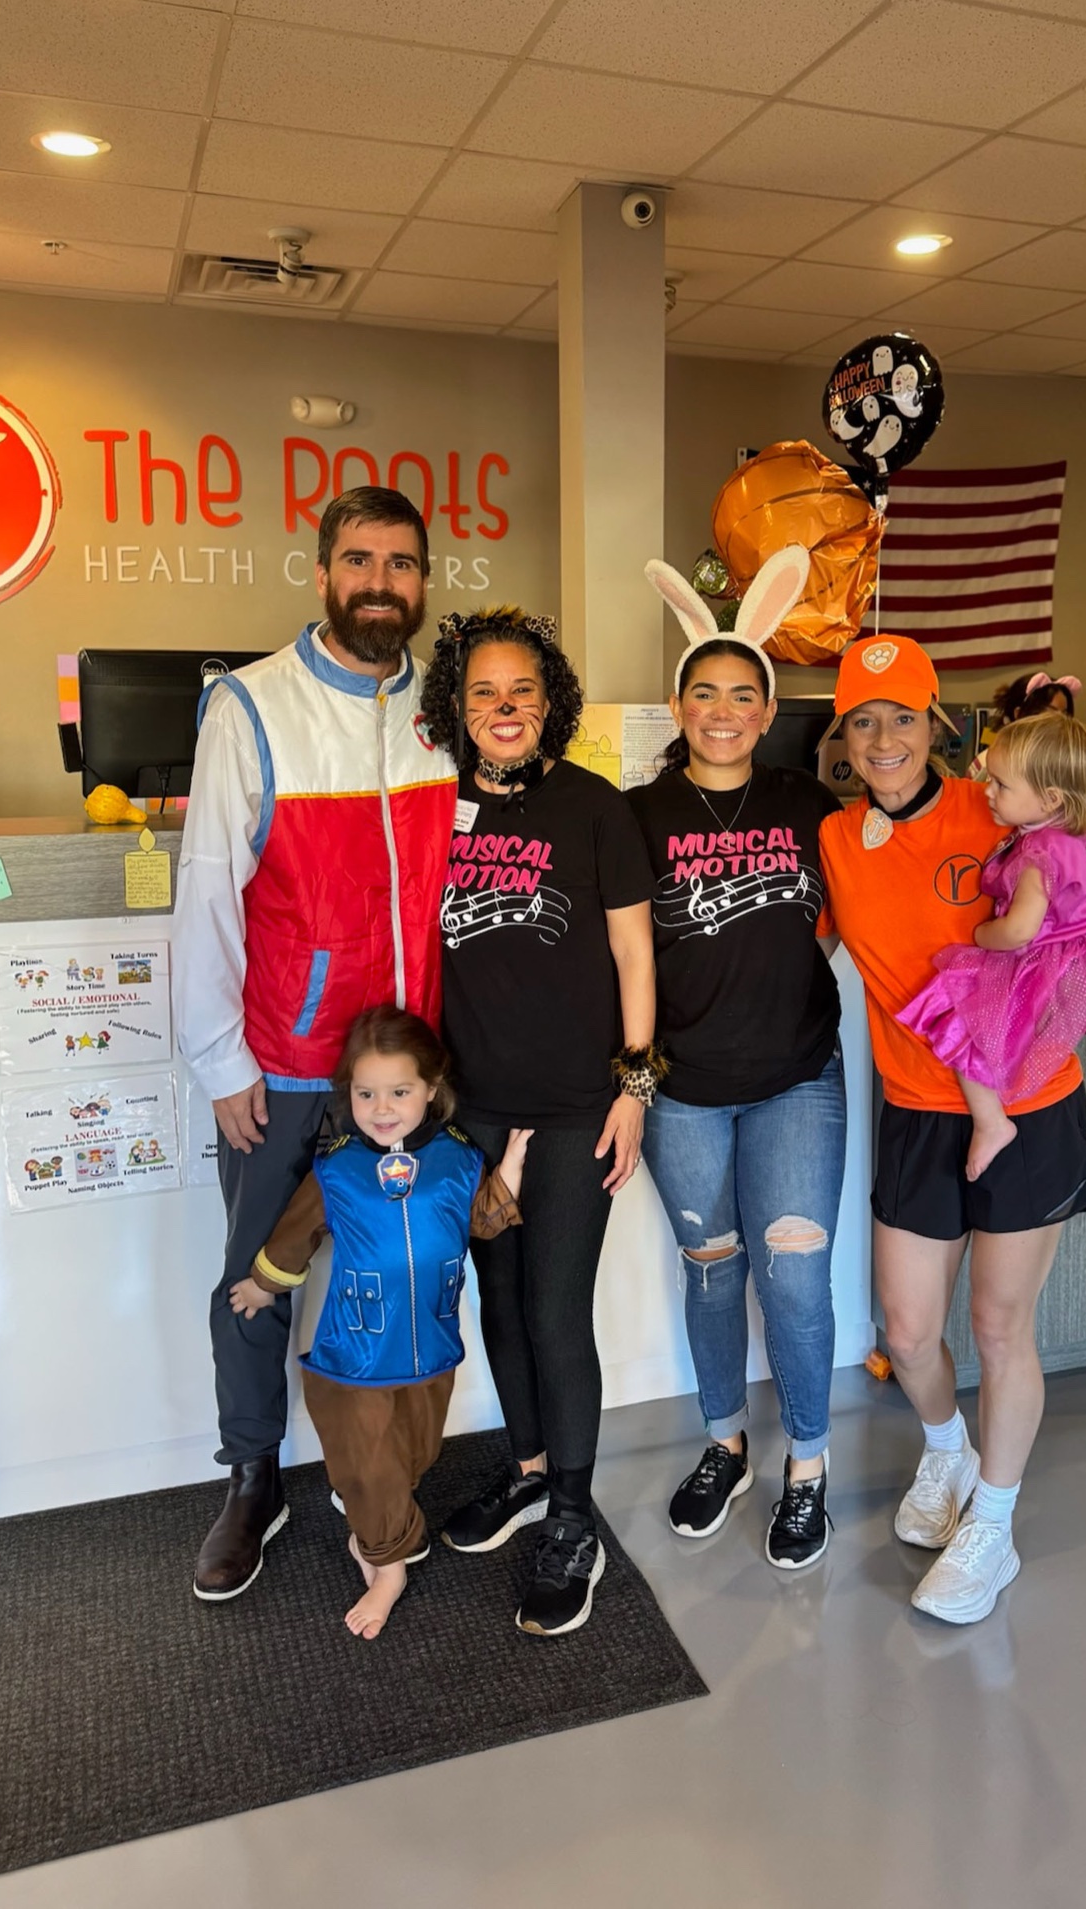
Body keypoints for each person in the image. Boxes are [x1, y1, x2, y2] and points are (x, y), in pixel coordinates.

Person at [173, 484, 456, 1603]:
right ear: (323, 572)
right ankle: (254, 1476)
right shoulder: (250, 706)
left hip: (413, 1072)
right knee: (258, 1276)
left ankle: (384, 1471)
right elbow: (205, 891)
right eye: (358, 560)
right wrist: (219, 1060)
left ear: (422, 582)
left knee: (404, 1265)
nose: (379, 581)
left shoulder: (446, 708)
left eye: (399, 563)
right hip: (287, 1062)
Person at [818, 634, 1086, 1626]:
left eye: (901, 716)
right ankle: (945, 1454)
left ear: (936, 724)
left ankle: (993, 1522)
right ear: (843, 739)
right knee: (905, 1330)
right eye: (863, 720)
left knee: (996, 1325)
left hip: (1024, 1106)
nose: (883, 737)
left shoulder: (992, 815)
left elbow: (1075, 895)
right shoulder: (833, 838)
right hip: (915, 1108)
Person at [421, 607, 658, 1637]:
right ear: (456, 708)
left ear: (549, 702)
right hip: (469, 1111)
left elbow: (635, 958)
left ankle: (572, 1519)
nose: (504, 708)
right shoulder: (432, 809)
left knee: (557, 1312)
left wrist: (633, 1090)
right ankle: (525, 1471)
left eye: (521, 690)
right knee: (501, 1306)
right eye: (483, 691)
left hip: (571, 1106)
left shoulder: (593, 806)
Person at [630, 546, 846, 1569]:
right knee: (712, 1275)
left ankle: (808, 1465)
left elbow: (849, 920)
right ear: (679, 706)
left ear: (766, 712)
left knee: (793, 1281)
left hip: (798, 1081)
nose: (722, 710)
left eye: (742, 695)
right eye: (704, 692)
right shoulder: (636, 817)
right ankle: (726, 1443)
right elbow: (618, 960)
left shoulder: (809, 807)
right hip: (682, 1095)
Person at [230, 1006, 529, 1640]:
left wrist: (509, 1174)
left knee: (413, 1456)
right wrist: (261, 1284)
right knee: (369, 1462)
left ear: (431, 1089)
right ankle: (386, 1559)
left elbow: (478, 1221)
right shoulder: (337, 1168)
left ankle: (378, 1521)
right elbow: (296, 1235)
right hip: (354, 1357)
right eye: (366, 1093)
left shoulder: (457, 1158)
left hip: (432, 1352)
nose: (382, 1107)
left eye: (399, 1092)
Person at [897, 714, 1086, 1178]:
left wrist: (982, 935)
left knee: (959, 1020)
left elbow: (1021, 929)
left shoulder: (1038, 853)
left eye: (1001, 785)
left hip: (1034, 959)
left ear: (1049, 799)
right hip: (1070, 960)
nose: (988, 790)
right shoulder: (1074, 835)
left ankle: (991, 1123)